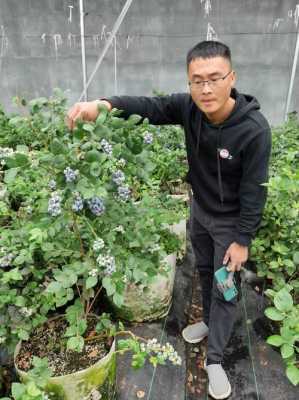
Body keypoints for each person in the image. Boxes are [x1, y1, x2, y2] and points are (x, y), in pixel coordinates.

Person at [67, 40, 271, 400]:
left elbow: (256, 191)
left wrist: (242, 240)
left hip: (231, 223)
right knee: (205, 270)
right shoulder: (189, 108)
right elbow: (151, 107)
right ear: (189, 82)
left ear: (231, 78)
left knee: (226, 288)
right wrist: (103, 105)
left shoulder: (254, 130)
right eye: (197, 80)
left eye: (214, 78)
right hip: (201, 211)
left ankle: (215, 360)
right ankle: (207, 322)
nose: (205, 89)